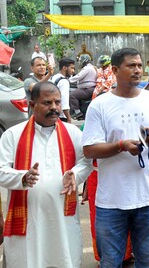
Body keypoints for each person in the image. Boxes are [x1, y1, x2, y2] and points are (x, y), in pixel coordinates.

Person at [82, 48, 149, 267]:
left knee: (146, 261)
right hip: (112, 201)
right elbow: (89, 150)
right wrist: (121, 146)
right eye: (131, 66)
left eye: (139, 65)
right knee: (111, 262)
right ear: (115, 70)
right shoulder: (99, 105)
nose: (137, 70)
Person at [0, 82, 92, 268]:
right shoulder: (13, 135)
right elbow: (1, 170)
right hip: (28, 220)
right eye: (47, 103)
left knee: (64, 260)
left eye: (57, 102)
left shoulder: (73, 133)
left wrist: (74, 174)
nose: (54, 108)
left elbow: (86, 162)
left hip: (62, 219)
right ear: (32, 105)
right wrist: (22, 178)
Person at [69, 54, 97, 119]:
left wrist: (68, 80)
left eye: (80, 60)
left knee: (72, 95)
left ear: (84, 60)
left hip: (87, 89)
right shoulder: (91, 67)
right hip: (89, 88)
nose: (79, 62)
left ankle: (77, 112)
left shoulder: (87, 68)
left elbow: (79, 76)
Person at [51, 58, 75, 122]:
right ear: (64, 68)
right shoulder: (64, 81)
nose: (73, 71)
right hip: (61, 116)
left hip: (53, 113)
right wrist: (68, 118)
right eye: (71, 68)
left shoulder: (55, 77)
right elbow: (64, 102)